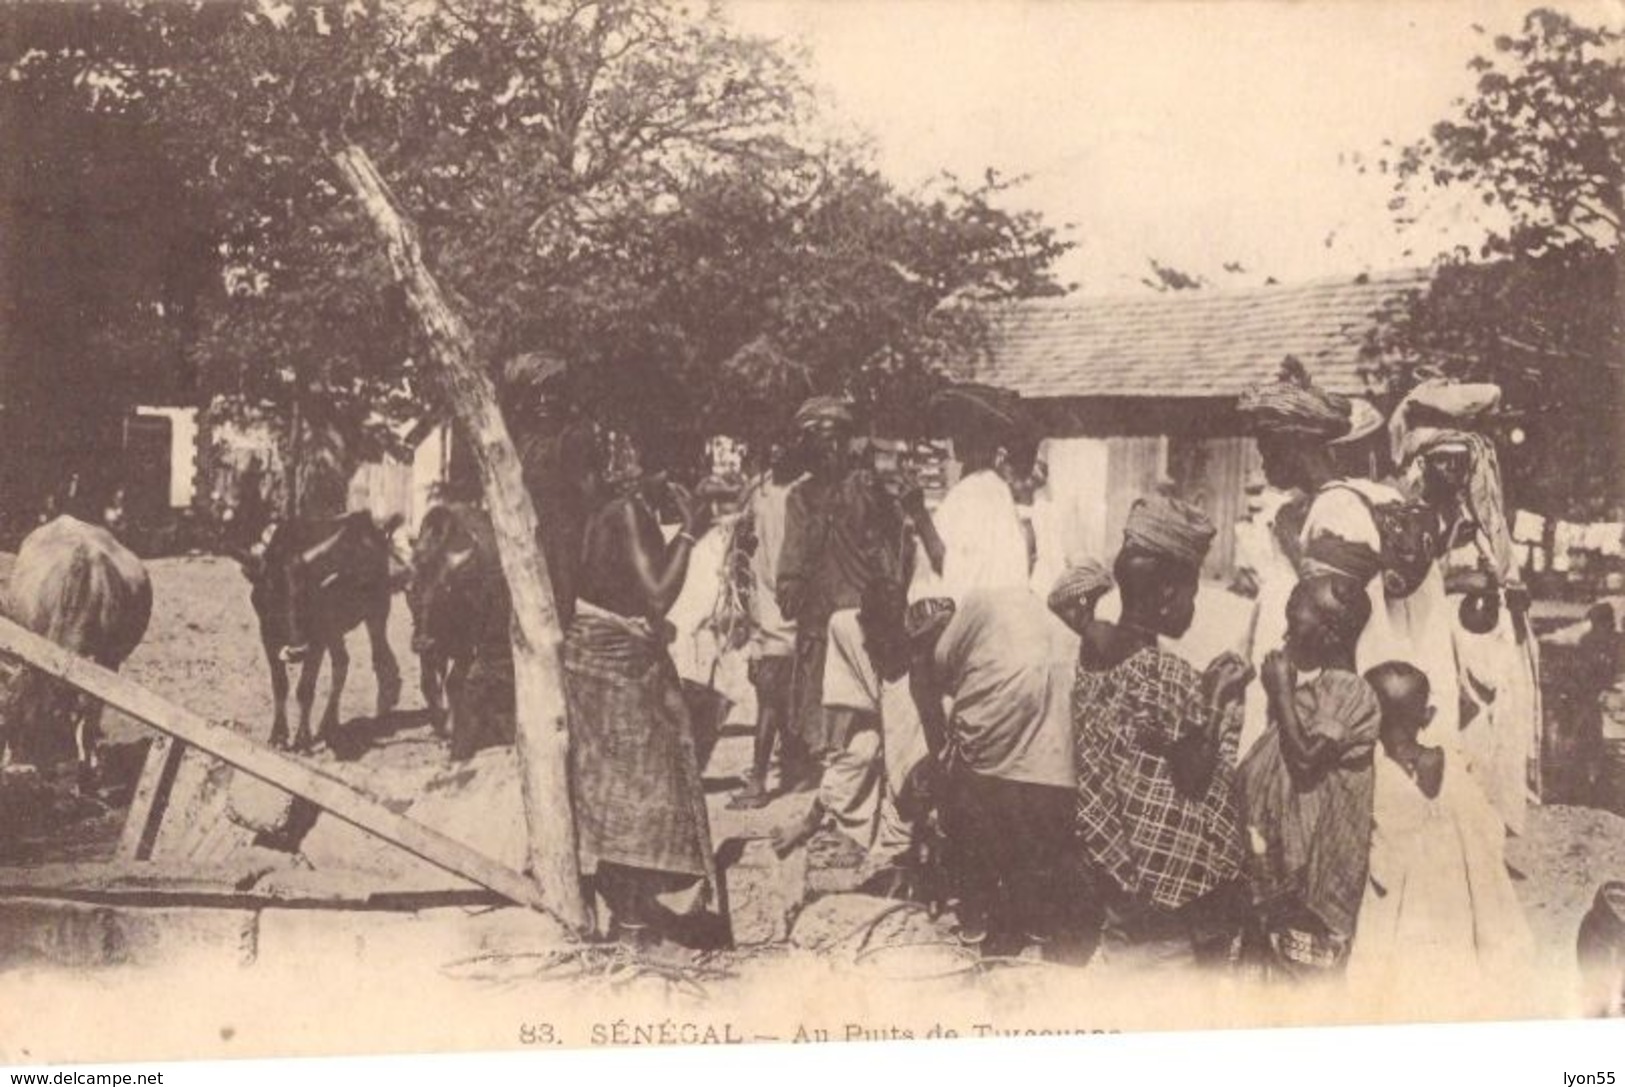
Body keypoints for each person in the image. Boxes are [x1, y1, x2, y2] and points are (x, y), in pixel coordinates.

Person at [1062, 496, 1254, 969]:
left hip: (1120, 880)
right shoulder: (1163, 671)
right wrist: (1214, 697)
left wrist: (1199, 689)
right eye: (1191, 594)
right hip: (1169, 894)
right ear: (1169, 595)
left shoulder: (1096, 653)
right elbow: (1192, 774)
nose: (1192, 606)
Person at [1239, 364, 1462, 766]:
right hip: (1396, 670)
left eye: (1267, 445)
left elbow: (1324, 627)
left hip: (1351, 690)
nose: (1261, 459)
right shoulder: (1375, 496)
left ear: (1297, 444)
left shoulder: (1335, 509)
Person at [561, 428, 718, 948]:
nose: (684, 486)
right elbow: (655, 597)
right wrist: (692, 534)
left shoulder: (623, 512)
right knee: (635, 783)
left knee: (628, 781)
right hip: (612, 660)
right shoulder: (626, 512)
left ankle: (636, 914)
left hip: (610, 654)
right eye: (678, 475)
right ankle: (631, 922)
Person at [1392, 379, 1539, 837]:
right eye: (1445, 464)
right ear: (1424, 465)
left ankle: (1484, 815)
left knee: (1486, 722)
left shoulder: (1473, 516)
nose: (1455, 474)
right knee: (1435, 717)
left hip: (1473, 636)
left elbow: (1500, 567)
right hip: (1424, 632)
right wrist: (1455, 578)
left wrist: (1507, 590)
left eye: (1462, 464)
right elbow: (1398, 582)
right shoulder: (1410, 513)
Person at [906, 586, 1085, 960]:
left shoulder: (940, 650)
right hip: (1066, 669)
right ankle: (1044, 920)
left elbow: (938, 740)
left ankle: (989, 921)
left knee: (980, 804)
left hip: (1019, 684)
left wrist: (939, 791)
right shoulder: (987, 612)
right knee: (1043, 785)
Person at [1347, 661, 1535, 1014]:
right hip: (1457, 921)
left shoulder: (1372, 780)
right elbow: (1490, 832)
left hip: (1397, 933)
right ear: (1428, 715)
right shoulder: (1458, 770)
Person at [774, 396, 918, 851]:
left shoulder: (869, 492)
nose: (831, 452)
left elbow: (899, 557)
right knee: (843, 743)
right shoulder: (801, 500)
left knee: (876, 739)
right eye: (821, 442)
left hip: (872, 634)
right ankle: (845, 830)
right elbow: (789, 589)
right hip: (827, 638)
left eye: (837, 440)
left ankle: (861, 834)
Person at [1238, 575, 1380, 981]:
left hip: (1316, 892)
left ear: (1331, 634)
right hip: (1282, 882)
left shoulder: (1352, 693)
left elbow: (1305, 761)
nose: (1286, 634)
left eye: (1295, 623)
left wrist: (1280, 692)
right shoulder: (1317, 691)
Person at [730, 440, 809, 809]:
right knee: (773, 688)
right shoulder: (758, 489)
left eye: (784, 444)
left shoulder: (806, 489)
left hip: (792, 607)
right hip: (764, 605)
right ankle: (788, 766)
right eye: (771, 444)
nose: (776, 451)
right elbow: (741, 543)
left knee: (771, 693)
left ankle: (761, 780)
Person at [910, 384, 1036, 605]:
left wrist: (919, 514)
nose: (954, 439)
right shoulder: (995, 490)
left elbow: (950, 566)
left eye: (960, 431)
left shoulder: (973, 492)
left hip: (971, 622)